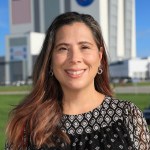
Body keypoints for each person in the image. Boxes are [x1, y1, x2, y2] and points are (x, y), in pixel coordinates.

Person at [6, 12, 150, 150]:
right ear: (50, 60)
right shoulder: (26, 125)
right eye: (63, 48)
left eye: (84, 47)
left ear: (100, 57)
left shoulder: (127, 115)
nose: (75, 58)